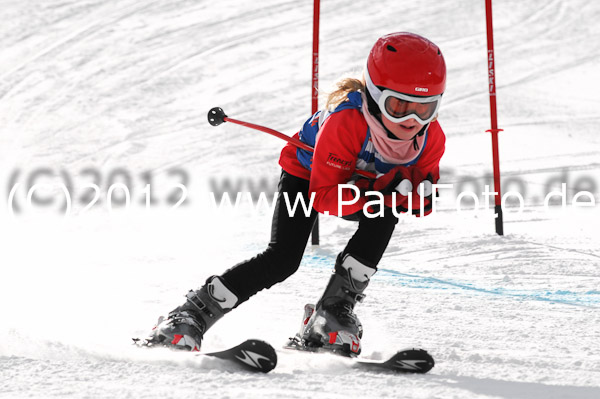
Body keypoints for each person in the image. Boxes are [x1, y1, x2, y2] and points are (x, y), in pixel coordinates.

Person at [145, 32, 446, 356]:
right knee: (283, 259)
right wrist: (379, 192)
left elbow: (417, 189)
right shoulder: (348, 122)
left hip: (359, 186)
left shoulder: (431, 139)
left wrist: (414, 196)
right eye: (399, 106)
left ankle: (330, 315)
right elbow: (325, 196)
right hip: (307, 175)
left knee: (385, 215)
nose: (412, 121)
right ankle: (190, 314)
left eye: (425, 109)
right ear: (374, 95)